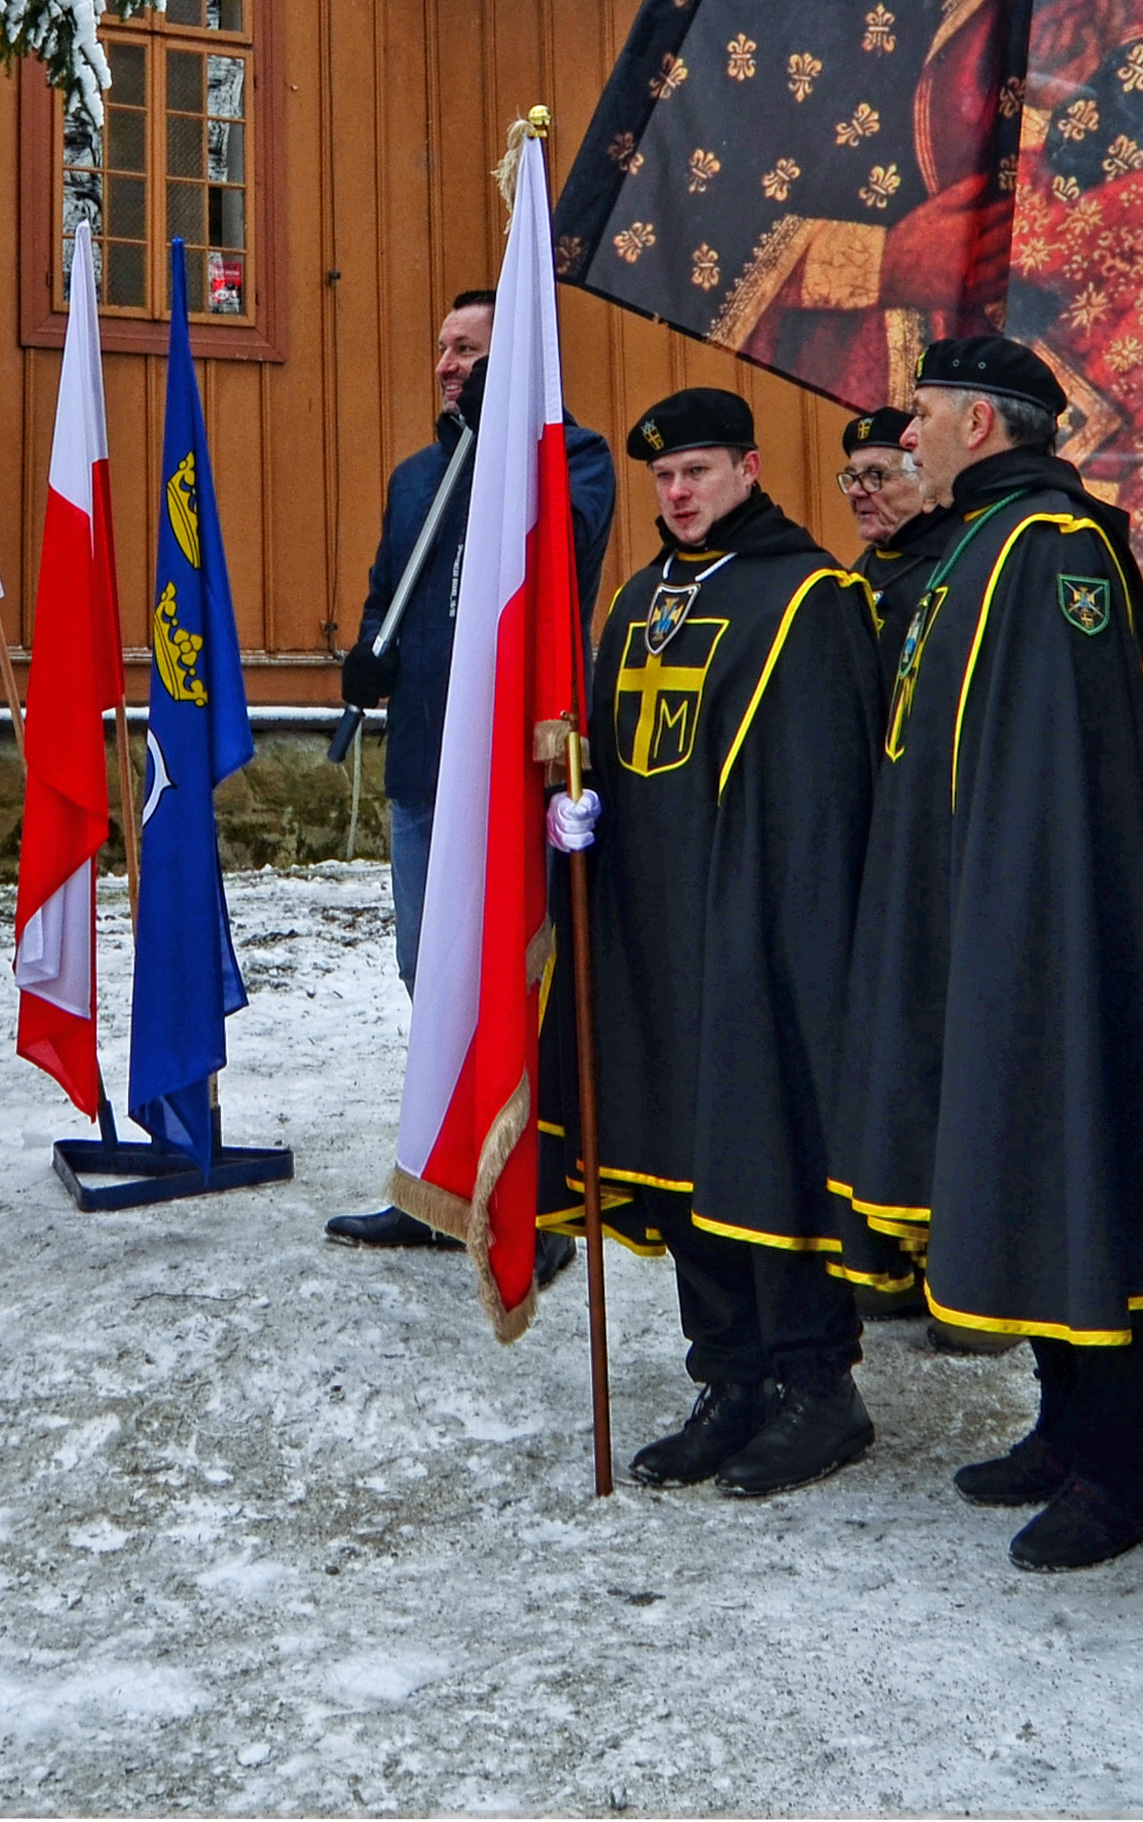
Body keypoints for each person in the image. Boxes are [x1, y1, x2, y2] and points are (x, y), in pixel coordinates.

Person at [831, 333, 1143, 1573]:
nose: (910, 436)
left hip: (1047, 928)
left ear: (983, 427)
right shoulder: (970, 548)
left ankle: (1126, 1471)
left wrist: (1015, 918)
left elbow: (1056, 763)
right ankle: (1065, 1428)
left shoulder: (1057, 546)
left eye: (927, 416)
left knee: (1076, 1174)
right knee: (1019, 1170)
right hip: (970, 909)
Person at [538, 388, 888, 1496]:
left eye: (697, 472)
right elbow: (607, 743)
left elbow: (827, 789)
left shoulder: (810, 594)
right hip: (649, 927)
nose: (678, 494)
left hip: (762, 934)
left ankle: (816, 1390)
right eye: (664, 478)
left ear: (747, 468)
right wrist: (574, 809)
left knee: (766, 1149)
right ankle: (729, 1377)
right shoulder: (641, 599)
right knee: (680, 1158)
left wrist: (785, 929)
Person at [326, 290, 614, 1253]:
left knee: (513, 976)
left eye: (471, 350)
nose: (448, 363)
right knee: (430, 971)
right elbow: (385, 600)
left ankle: (533, 1193)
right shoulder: (417, 478)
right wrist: (369, 658)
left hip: (509, 775)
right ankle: (442, 1183)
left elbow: (564, 553)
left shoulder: (567, 460)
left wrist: (507, 445)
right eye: (441, 348)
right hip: (425, 768)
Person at [836, 408, 934, 619]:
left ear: (924, 480)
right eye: (852, 476)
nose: (855, 490)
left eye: (874, 475)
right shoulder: (859, 570)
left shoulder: (953, 562)